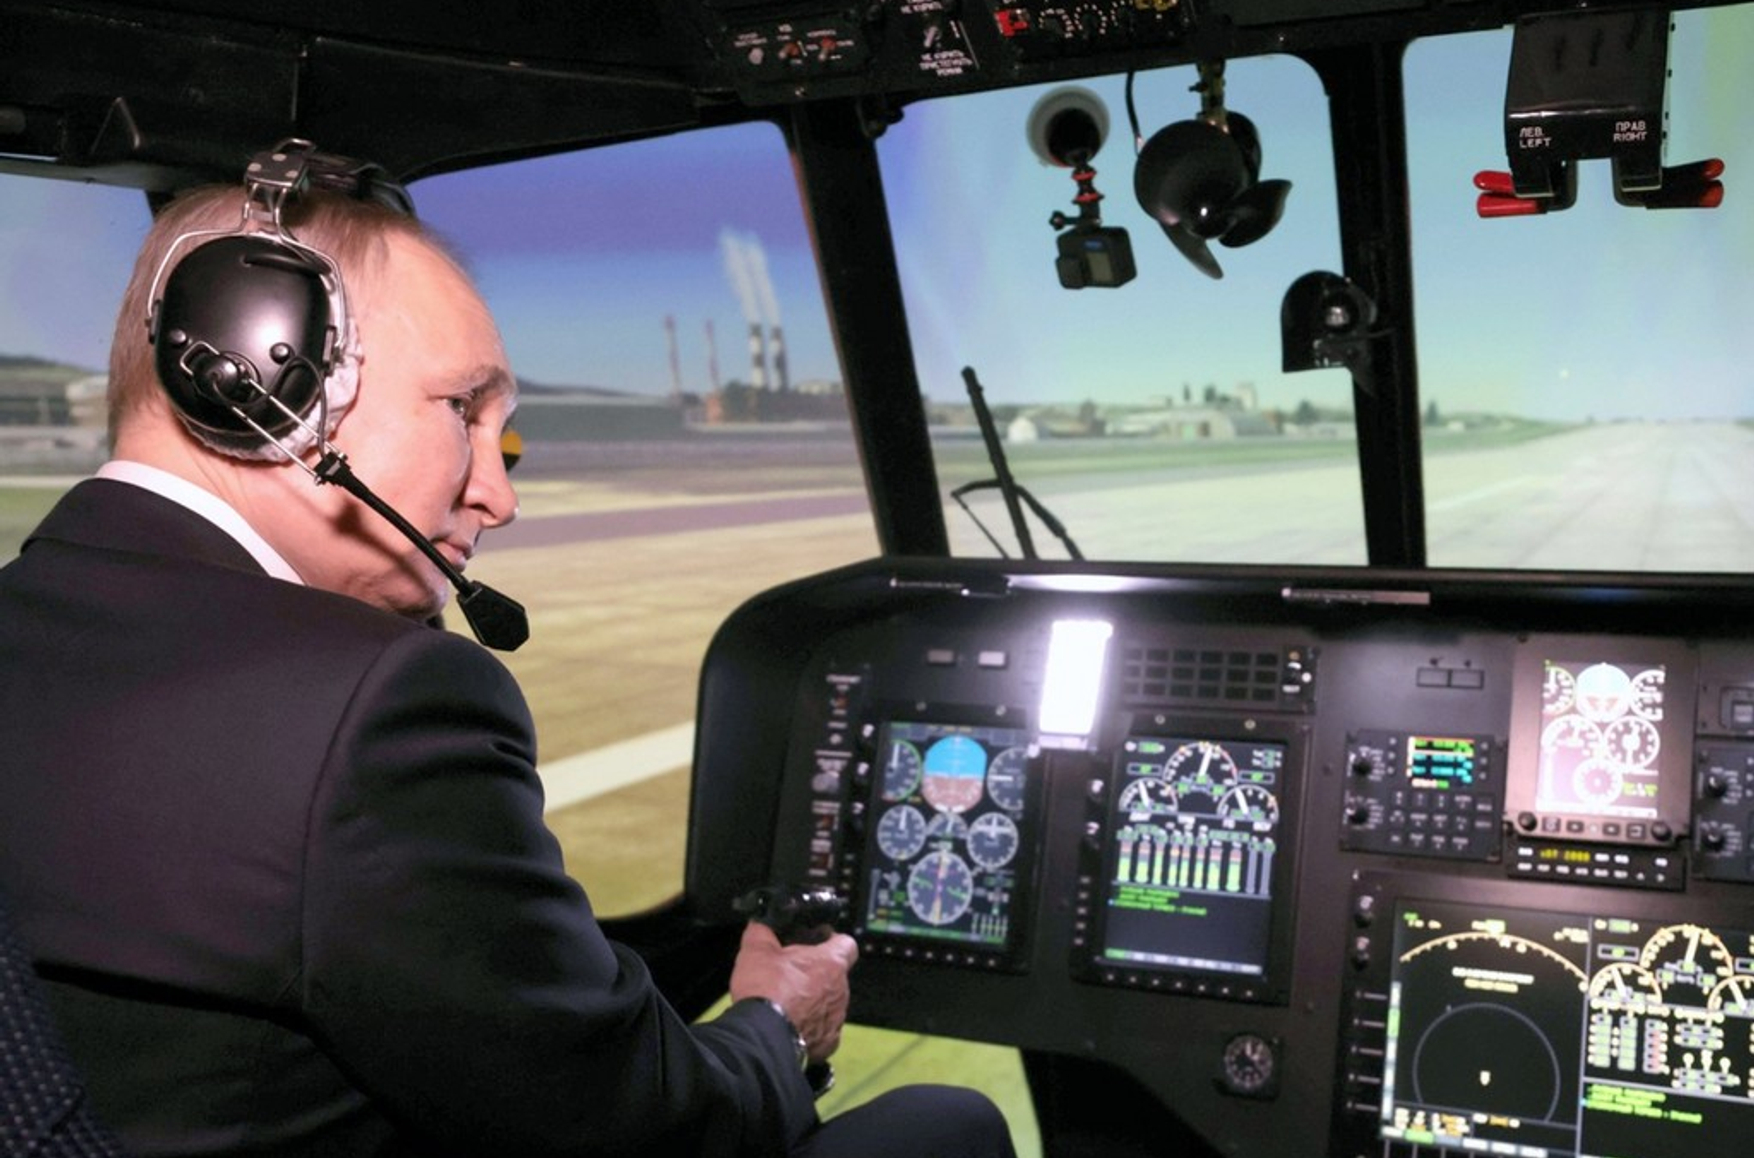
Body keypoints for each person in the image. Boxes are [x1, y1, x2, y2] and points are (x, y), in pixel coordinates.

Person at [0, 160, 1016, 1158]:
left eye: (508, 439)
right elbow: (644, 1130)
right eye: (463, 411)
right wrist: (781, 1026)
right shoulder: (368, 708)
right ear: (265, 379)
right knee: (947, 1123)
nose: (501, 493)